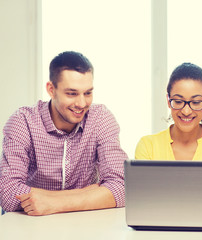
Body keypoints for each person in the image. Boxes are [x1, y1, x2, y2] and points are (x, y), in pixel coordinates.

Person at [0, 51, 127, 216]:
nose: (81, 103)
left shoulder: (101, 118)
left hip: (85, 222)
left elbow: (123, 187)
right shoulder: (23, 121)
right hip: (31, 223)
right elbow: (7, 193)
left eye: (87, 93)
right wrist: (89, 193)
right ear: (51, 90)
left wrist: (52, 202)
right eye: (72, 93)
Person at [135, 63, 202, 215]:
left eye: (196, 102)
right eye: (178, 101)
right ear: (168, 100)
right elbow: (143, 201)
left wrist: (167, 199)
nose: (186, 110)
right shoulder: (147, 146)